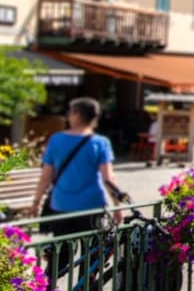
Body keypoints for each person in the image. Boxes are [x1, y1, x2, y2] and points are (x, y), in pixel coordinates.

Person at [27, 98, 129, 237]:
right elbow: (109, 178)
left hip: (61, 203)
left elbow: (46, 177)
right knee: (91, 253)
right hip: (92, 204)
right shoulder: (100, 143)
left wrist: (36, 202)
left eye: (69, 112)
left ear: (76, 115)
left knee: (61, 253)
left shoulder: (56, 140)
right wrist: (117, 207)